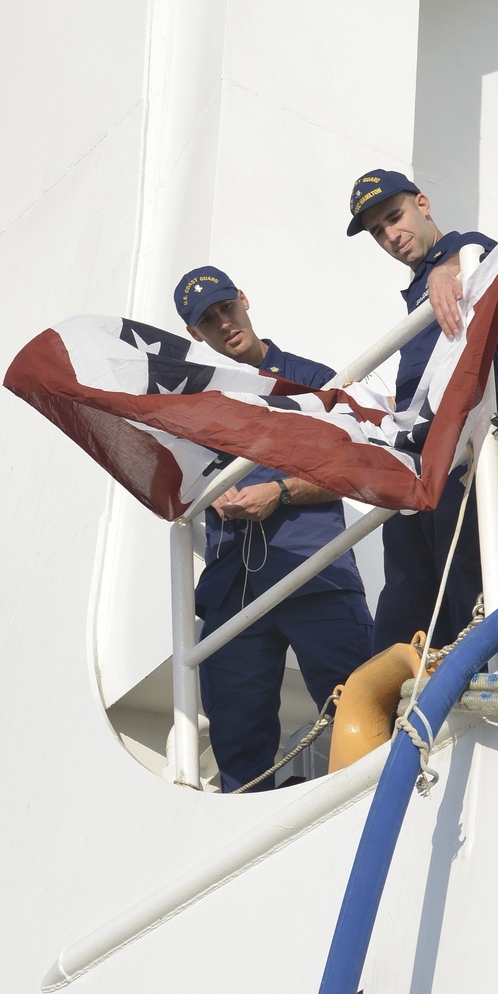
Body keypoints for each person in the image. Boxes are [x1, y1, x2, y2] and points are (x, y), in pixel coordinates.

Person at [173, 268, 373, 793]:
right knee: (237, 745)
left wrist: (279, 492)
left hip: (313, 571)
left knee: (362, 709)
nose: (224, 324)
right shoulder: (194, 404)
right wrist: (210, 500)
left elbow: (356, 468)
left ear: (243, 299)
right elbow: (179, 481)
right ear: (196, 334)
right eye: (209, 321)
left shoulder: (312, 380)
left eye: (226, 309)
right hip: (231, 588)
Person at [346, 171, 498, 651]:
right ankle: (399, 713)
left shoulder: (468, 252)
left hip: (469, 450)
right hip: (416, 463)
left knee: (469, 589)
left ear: (423, 204)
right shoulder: (417, 291)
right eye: (378, 232)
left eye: (395, 217)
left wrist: (451, 269)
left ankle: (482, 698)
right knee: (406, 606)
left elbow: (493, 257)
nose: (391, 235)